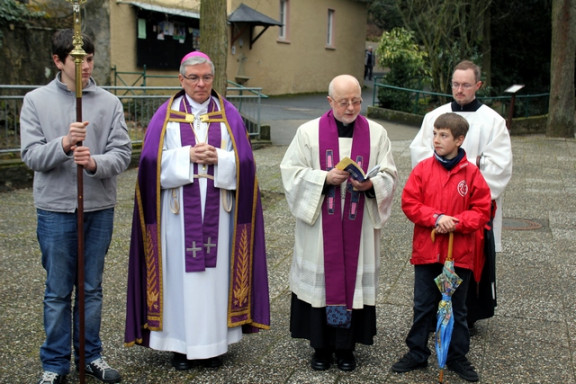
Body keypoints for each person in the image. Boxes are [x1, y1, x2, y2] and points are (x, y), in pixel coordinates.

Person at [124, 51, 270, 371]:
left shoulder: (228, 114)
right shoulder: (166, 115)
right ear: (181, 79)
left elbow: (246, 164)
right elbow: (149, 165)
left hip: (220, 210)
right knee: (179, 279)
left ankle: (214, 346)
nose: (201, 84)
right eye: (194, 78)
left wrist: (221, 159)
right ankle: (181, 346)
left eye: (206, 77)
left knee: (215, 280)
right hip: (177, 214)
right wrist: (186, 156)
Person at [20, 29, 131, 384]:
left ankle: (91, 355)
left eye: (90, 60)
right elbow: (31, 155)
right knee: (57, 291)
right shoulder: (35, 101)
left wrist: (95, 163)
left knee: (91, 289)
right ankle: (54, 365)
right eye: (76, 61)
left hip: (98, 206)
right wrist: (65, 144)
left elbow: (123, 153)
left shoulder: (109, 102)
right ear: (57, 61)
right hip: (55, 209)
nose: (85, 67)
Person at [280, 74, 397, 372]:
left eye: (356, 100)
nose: (351, 107)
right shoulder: (307, 133)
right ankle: (320, 347)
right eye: (343, 102)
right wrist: (324, 178)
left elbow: (390, 174)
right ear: (330, 101)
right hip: (320, 228)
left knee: (353, 282)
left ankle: (347, 349)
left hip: (359, 230)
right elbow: (290, 172)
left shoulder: (377, 133)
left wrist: (371, 185)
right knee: (322, 284)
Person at [409, 60, 513, 326]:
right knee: (431, 269)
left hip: (470, 214)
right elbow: (420, 155)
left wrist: (471, 175)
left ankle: (467, 318)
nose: (459, 89)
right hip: (437, 210)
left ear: (478, 85)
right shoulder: (435, 117)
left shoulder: (493, 121)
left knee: (470, 265)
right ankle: (433, 316)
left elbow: (500, 167)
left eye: (466, 85)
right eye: (455, 84)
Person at [392, 113, 492, 382]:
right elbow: (410, 203)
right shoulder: (423, 169)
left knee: (456, 308)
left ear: (459, 140)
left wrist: (456, 222)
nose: (436, 139)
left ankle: (457, 355)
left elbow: (482, 210)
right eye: (434, 133)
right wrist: (436, 218)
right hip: (428, 251)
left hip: (458, 255)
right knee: (423, 304)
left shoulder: (471, 174)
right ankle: (417, 352)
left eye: (443, 135)